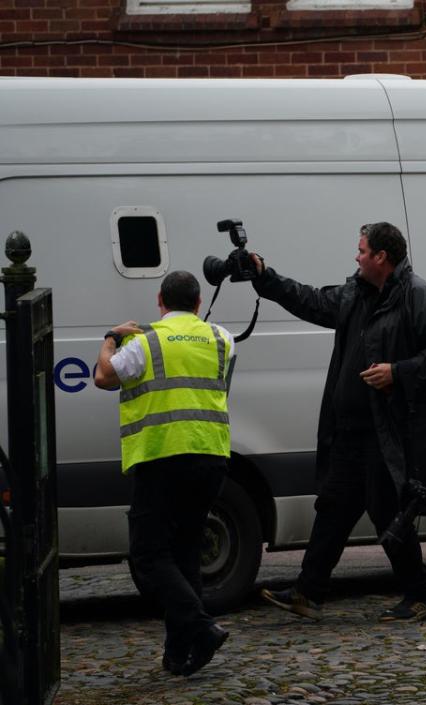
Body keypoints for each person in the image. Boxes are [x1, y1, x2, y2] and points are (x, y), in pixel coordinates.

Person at [255, 222, 426, 622]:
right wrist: (265, 277)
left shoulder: (421, 298)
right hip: (351, 430)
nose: (357, 256)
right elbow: (311, 300)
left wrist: (397, 372)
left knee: (386, 511)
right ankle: (308, 592)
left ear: (381, 257)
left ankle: (423, 595)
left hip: (386, 434)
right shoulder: (355, 294)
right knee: (333, 507)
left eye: (362, 250)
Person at [94, 271, 234, 675]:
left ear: (160, 300)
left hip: (161, 458)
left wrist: (109, 338)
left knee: (149, 554)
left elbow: (103, 377)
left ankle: (201, 626)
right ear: (198, 301)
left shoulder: (145, 342)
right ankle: (178, 652)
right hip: (211, 455)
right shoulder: (221, 338)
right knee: (186, 551)